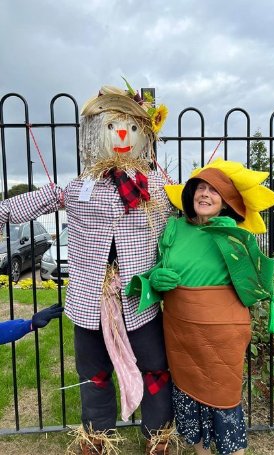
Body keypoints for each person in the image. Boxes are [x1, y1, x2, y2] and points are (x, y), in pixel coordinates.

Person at [0, 81, 173, 455]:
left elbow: (197, 207)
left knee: (156, 368)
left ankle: (158, 435)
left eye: (129, 125)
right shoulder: (81, 186)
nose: (122, 134)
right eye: (112, 125)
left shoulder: (158, 187)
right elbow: (34, 202)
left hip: (140, 297)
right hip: (89, 300)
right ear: (97, 133)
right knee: (93, 373)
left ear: (143, 132)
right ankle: (97, 435)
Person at [127, 158, 274, 455]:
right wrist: (156, 278)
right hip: (180, 331)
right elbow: (160, 267)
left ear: (225, 203)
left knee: (224, 400)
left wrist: (231, 238)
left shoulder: (235, 235)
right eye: (200, 187)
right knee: (187, 399)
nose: (205, 194)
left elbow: (254, 284)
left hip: (220, 333)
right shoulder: (174, 228)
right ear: (191, 194)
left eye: (214, 191)